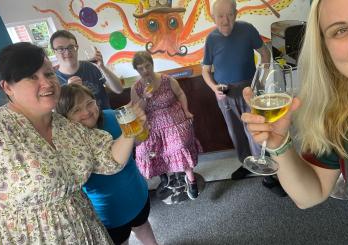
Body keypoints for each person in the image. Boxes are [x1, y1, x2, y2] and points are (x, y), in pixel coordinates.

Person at [241, 0, 348, 243]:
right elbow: (309, 195)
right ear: (326, 50)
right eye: (341, 30)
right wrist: (279, 143)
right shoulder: (342, 115)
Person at [0, 42, 145, 244]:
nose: (46, 83)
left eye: (48, 74)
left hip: (86, 230)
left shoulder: (66, 127)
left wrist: (130, 130)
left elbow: (109, 159)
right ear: (7, 87)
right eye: (31, 77)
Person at [56, 83, 158, 245]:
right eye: (76, 110)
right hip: (108, 213)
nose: (87, 112)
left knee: (143, 227)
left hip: (138, 194)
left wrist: (142, 127)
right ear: (64, 117)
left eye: (89, 103)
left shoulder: (113, 116)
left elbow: (138, 141)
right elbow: (111, 161)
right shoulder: (70, 144)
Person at [201, 0, 282, 191]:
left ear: (236, 14)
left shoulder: (247, 30)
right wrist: (214, 88)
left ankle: (267, 174)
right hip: (225, 94)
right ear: (213, 18)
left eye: (230, 14)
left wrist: (260, 81)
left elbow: (264, 54)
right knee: (236, 132)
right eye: (220, 16)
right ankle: (246, 164)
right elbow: (205, 71)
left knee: (256, 131)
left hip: (249, 89)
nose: (226, 20)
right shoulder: (211, 39)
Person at [130, 51, 202, 200]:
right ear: (136, 70)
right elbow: (137, 111)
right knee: (144, 150)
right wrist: (144, 97)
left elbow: (180, 94)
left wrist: (186, 111)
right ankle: (164, 177)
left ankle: (191, 179)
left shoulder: (167, 80)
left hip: (173, 119)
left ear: (152, 64)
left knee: (180, 145)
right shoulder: (136, 88)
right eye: (140, 68)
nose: (145, 70)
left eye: (147, 66)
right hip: (150, 124)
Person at [50, 30, 123, 109]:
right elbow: (59, 112)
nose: (67, 52)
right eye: (60, 49)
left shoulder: (90, 67)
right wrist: (69, 91)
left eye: (71, 47)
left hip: (106, 117)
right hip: (79, 122)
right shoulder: (54, 81)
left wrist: (102, 67)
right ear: (54, 51)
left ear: (76, 48)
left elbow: (118, 89)